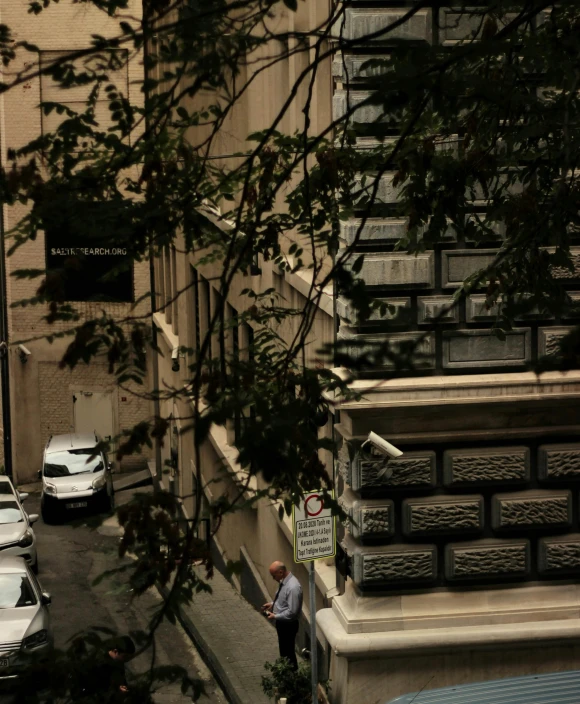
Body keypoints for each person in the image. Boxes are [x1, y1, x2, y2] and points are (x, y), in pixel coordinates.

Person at [262, 561, 303, 670]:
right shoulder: (285, 582)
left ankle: (292, 678)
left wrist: (275, 616)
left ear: (281, 572)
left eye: (273, 575)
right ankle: (287, 675)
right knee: (284, 652)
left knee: (288, 653)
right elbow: (283, 601)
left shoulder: (293, 587)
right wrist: (272, 604)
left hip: (288, 625)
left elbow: (292, 611)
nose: (273, 578)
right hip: (283, 623)